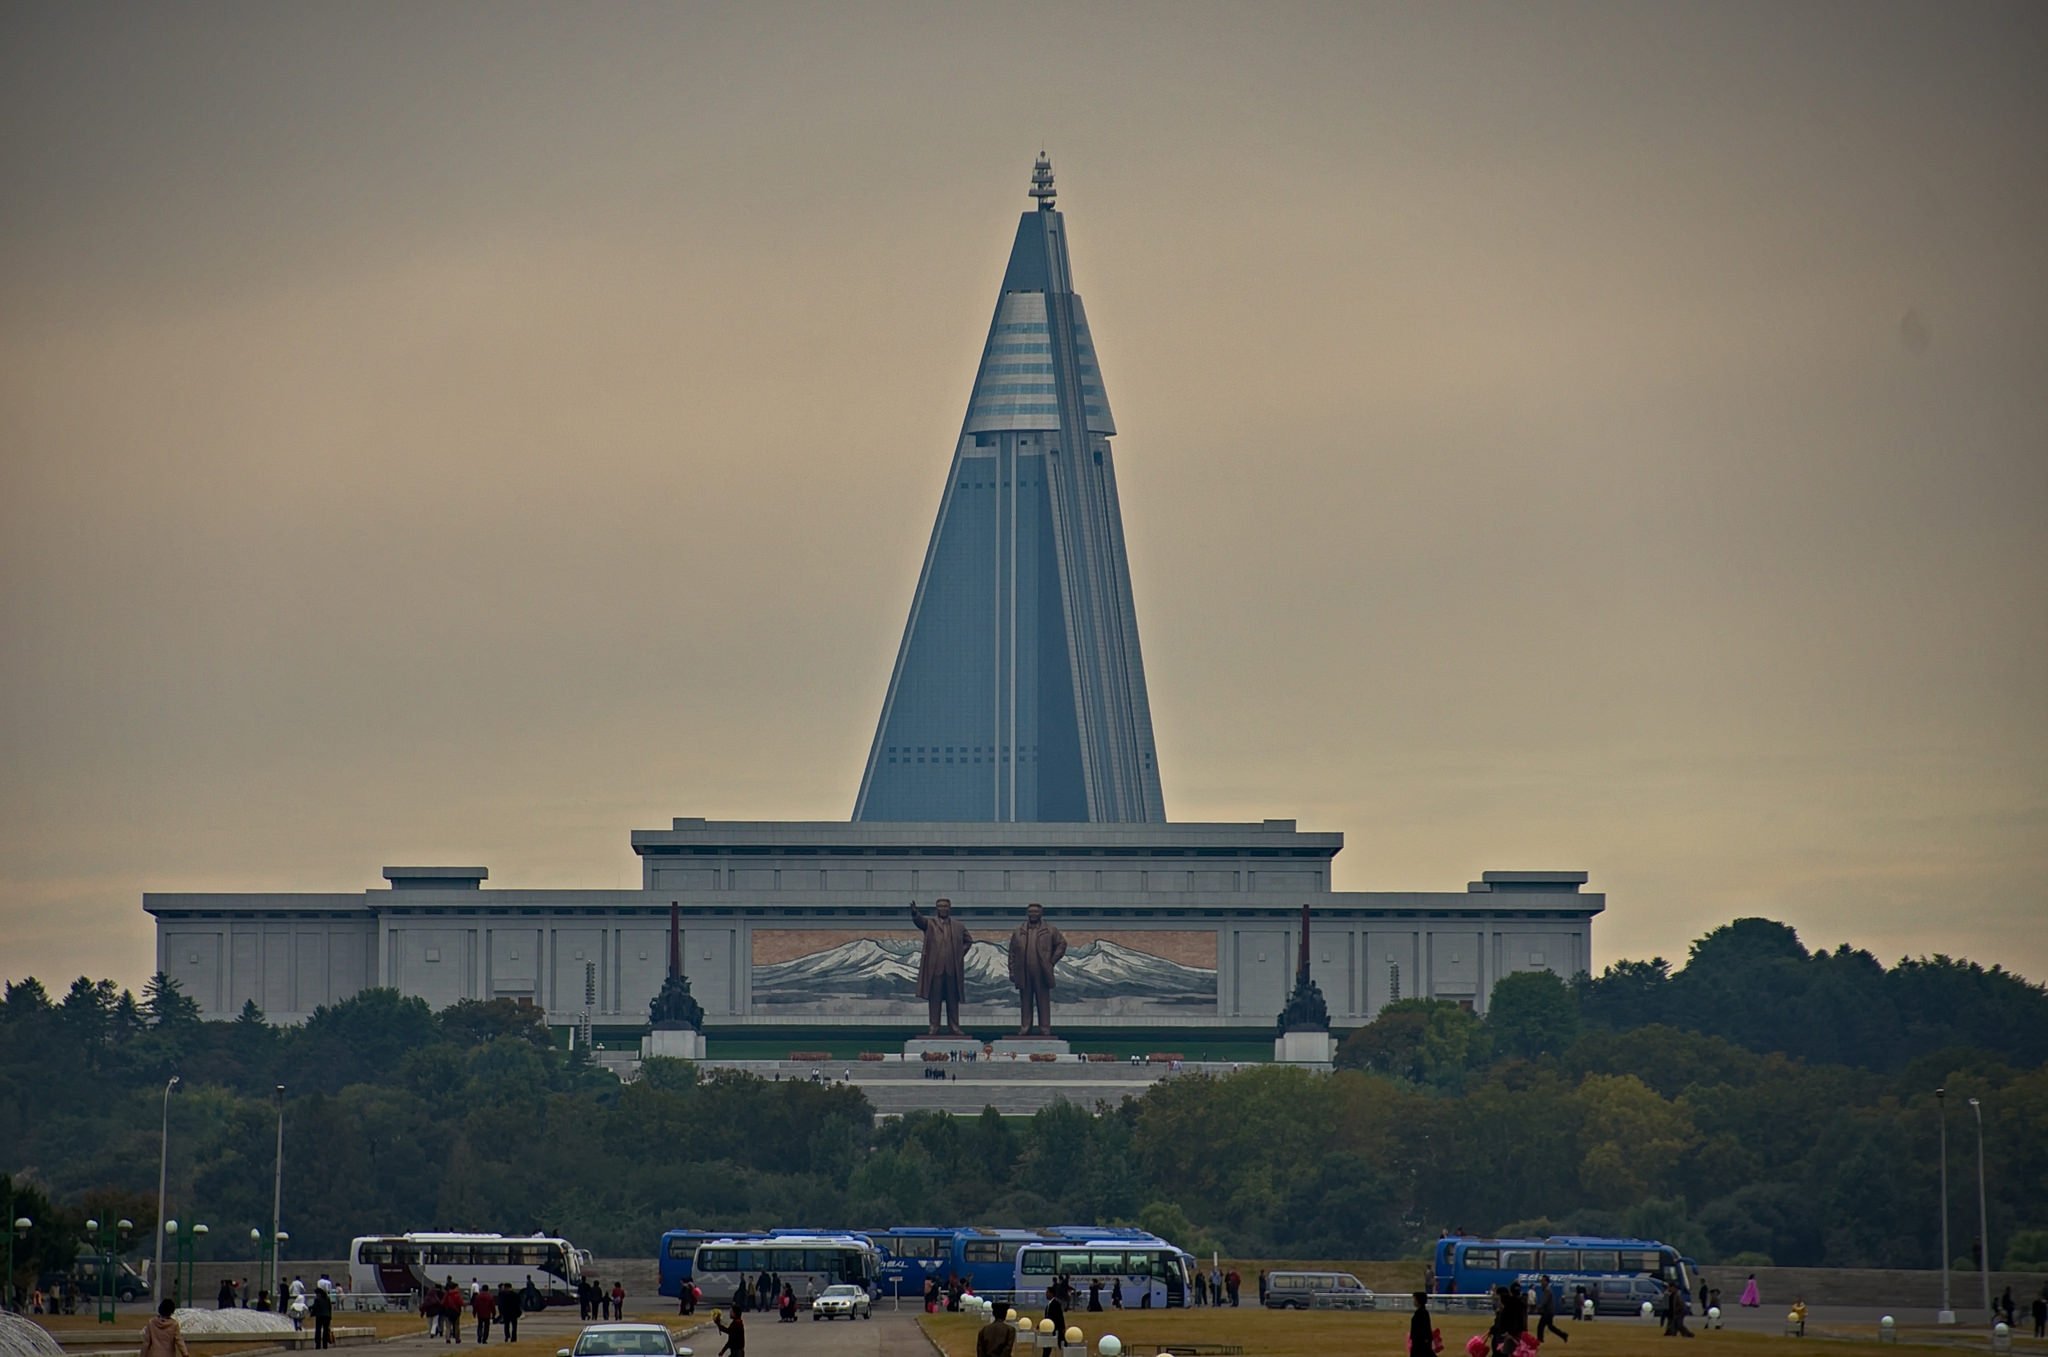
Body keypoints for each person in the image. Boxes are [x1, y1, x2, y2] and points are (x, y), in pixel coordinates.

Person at [911, 898, 973, 1036]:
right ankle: (934, 1026)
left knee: (952, 1000)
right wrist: (915, 914)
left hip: (952, 970)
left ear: (949, 908)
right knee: (935, 1000)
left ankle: (954, 1027)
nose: (943, 908)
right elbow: (920, 922)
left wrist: (958, 954)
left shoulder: (958, 926)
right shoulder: (930, 924)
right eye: (940, 906)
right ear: (937, 909)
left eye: (945, 906)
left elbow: (968, 941)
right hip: (935, 970)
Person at [1006, 902, 1068, 1037]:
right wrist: (1011, 970)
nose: (1033, 914)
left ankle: (1044, 1028)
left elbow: (1062, 944)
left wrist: (1051, 961)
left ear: (1041, 913)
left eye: (1036, 912)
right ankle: (1025, 1027)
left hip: (1042, 972)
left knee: (1043, 1001)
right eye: (1030, 912)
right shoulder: (1018, 931)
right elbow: (1012, 952)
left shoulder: (1050, 930)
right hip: (1023, 972)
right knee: (1025, 1001)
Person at [1535, 1274, 1568, 1344]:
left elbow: (1545, 1301)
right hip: (1549, 1311)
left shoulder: (1547, 1290)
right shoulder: (1547, 1289)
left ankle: (1539, 1339)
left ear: (1547, 1282)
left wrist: (1538, 1307)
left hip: (1547, 1312)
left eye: (1543, 1281)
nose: (1541, 1282)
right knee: (1550, 1327)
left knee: (1540, 1326)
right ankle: (1563, 1335)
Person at [1409, 1292, 1435, 1357]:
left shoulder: (1421, 1313)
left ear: (1418, 1301)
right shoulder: (1422, 1312)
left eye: (1415, 1299)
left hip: (1420, 1343)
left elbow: (1424, 1328)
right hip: (1420, 1342)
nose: (1413, 1301)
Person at [310, 1281, 334, 1351]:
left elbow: (315, 1307)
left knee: (318, 1330)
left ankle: (318, 1345)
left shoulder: (317, 1299)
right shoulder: (327, 1298)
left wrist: (311, 1311)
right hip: (327, 1316)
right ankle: (325, 1345)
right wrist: (330, 1317)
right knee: (325, 1331)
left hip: (319, 1316)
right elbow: (329, 1308)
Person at [470, 1280, 494, 1344]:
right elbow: (492, 1306)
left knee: (480, 1326)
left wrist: (474, 1313)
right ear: (488, 1289)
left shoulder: (478, 1297)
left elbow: (475, 1305)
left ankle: (479, 1336)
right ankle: (484, 1339)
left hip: (480, 1314)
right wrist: (493, 1313)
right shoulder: (490, 1297)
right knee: (486, 1327)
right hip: (487, 1314)